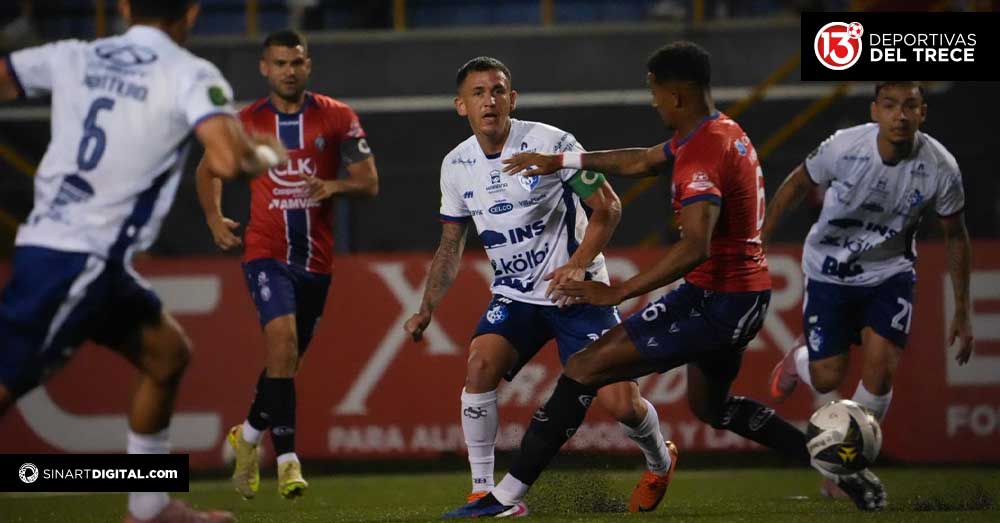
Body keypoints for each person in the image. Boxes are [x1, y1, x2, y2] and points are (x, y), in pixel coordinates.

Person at [444, 41, 886, 518]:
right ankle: (842, 469)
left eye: (655, 91)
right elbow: (644, 162)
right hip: (737, 297)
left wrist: (617, 291)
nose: (653, 102)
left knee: (583, 370)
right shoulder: (718, 132)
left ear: (676, 94)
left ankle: (504, 497)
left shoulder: (702, 154)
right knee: (712, 408)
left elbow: (695, 246)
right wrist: (564, 162)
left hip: (717, 301)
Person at [0, 1, 285, 521]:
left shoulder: (75, 55)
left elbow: (6, 75)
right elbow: (226, 159)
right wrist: (261, 154)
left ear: (125, 6)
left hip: (75, 253)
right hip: (77, 260)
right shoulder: (186, 73)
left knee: (166, 354)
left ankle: (149, 507)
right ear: (192, 12)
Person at [404, 56, 676, 516]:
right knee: (479, 365)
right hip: (515, 295)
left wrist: (578, 264)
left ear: (512, 98)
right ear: (460, 106)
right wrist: (426, 306)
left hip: (577, 292)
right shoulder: (456, 166)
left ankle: (660, 460)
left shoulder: (550, 143)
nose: (489, 101)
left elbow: (608, 208)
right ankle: (482, 492)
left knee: (621, 404)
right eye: (478, 93)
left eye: (497, 91)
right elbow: (451, 244)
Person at [762, 81, 974, 496]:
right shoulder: (844, 147)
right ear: (875, 110)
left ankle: (844, 469)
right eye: (891, 105)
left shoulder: (940, 167)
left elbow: (956, 235)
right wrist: (761, 238)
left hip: (889, 273)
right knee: (828, 376)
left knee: (879, 373)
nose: (900, 115)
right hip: (827, 270)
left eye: (910, 106)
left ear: (922, 113)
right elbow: (796, 184)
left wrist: (963, 308)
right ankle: (801, 359)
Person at [195, 29, 378, 500]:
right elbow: (207, 168)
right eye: (280, 63)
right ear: (265, 68)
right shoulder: (245, 122)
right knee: (282, 341)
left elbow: (369, 182)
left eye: (296, 63)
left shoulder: (337, 117)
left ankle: (248, 436)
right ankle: (289, 462)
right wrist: (215, 217)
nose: (288, 71)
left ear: (307, 65)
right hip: (264, 252)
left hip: (316, 261)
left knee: (285, 361)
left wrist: (333, 187)